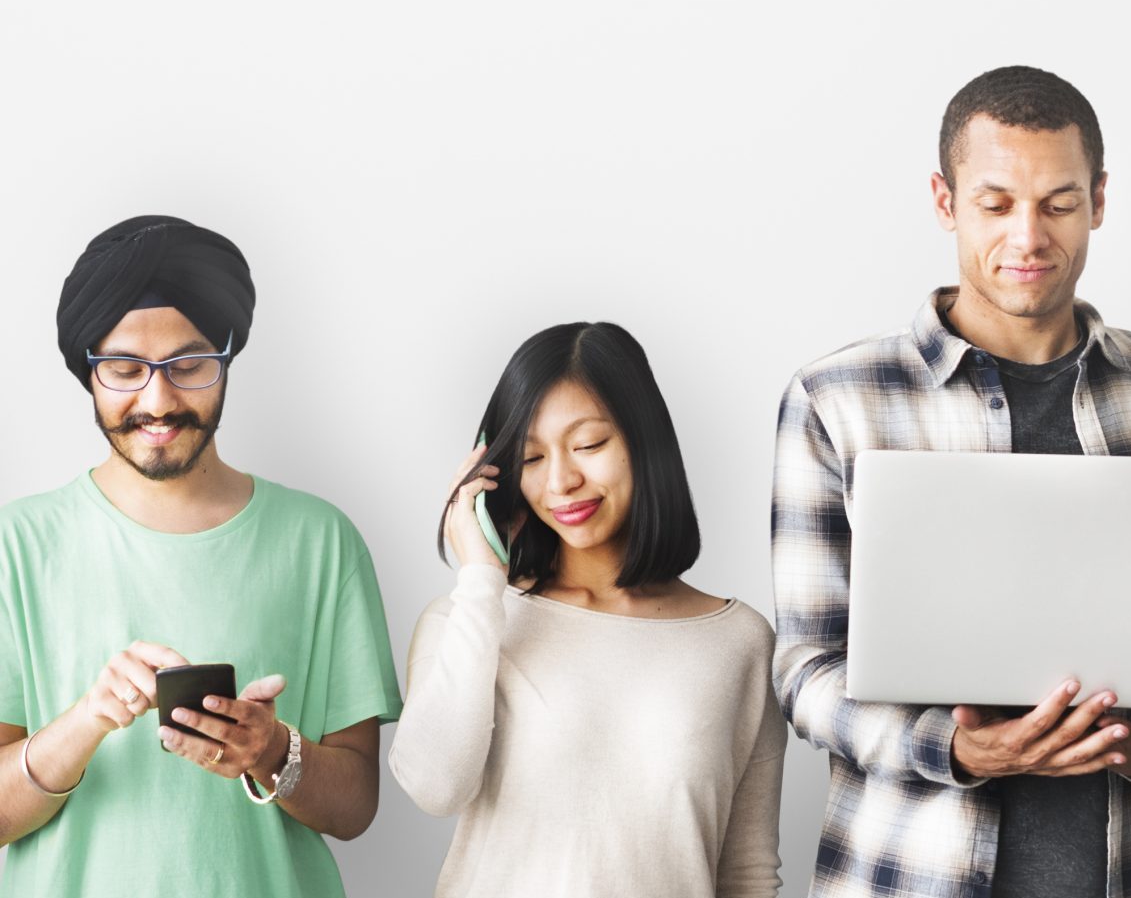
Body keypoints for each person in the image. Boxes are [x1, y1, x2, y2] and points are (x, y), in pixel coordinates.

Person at [769, 65, 1131, 898]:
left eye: (1059, 204)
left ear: (1100, 200)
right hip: (906, 874)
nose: (1028, 238)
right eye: (995, 204)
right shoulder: (836, 399)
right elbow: (807, 666)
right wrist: (958, 750)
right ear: (944, 200)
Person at [0, 216, 404, 896]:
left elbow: (356, 806)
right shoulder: (16, 546)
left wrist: (271, 750)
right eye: (125, 368)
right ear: (88, 370)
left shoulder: (320, 541)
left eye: (188, 365)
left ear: (225, 355)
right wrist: (87, 719)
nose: (157, 400)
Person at [391, 321, 785, 896]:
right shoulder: (463, 620)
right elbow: (434, 786)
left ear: (643, 441)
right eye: (529, 457)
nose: (561, 480)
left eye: (589, 445)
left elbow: (747, 873)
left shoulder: (739, 642)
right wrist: (480, 581)